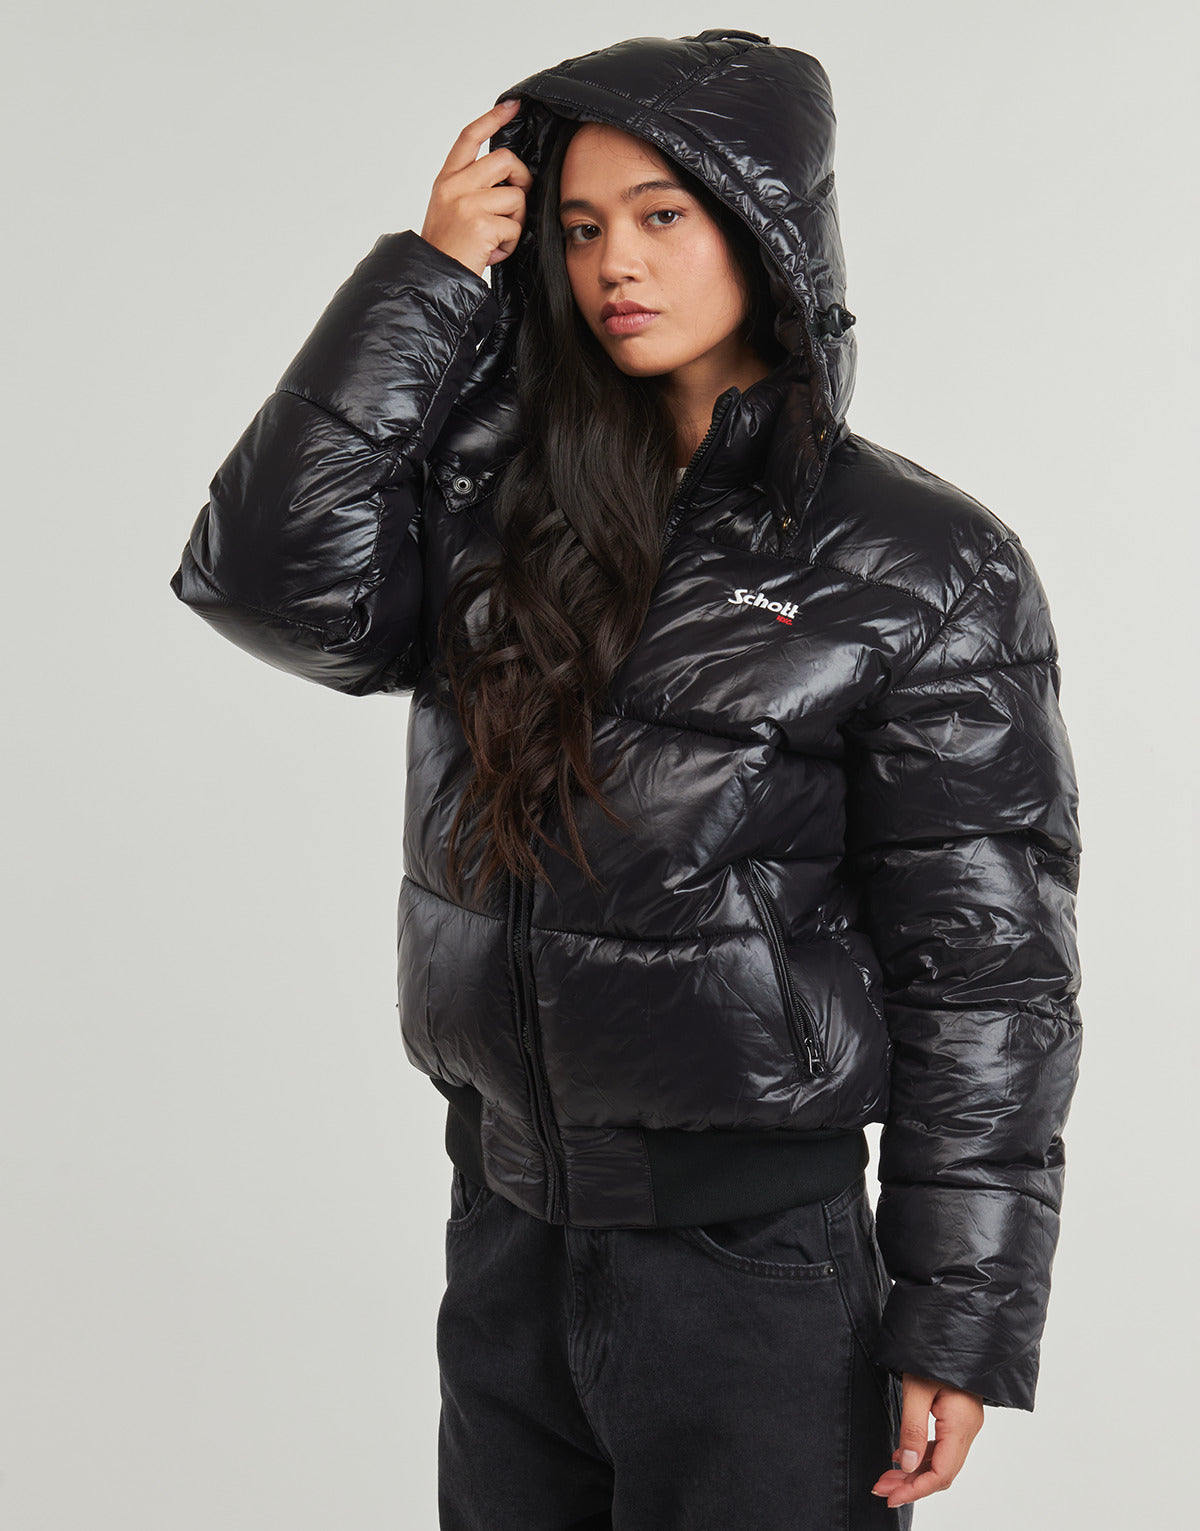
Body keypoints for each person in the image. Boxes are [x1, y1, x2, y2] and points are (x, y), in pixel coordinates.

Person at [169, 28, 1083, 1529]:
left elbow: (987, 968)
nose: (617, 265)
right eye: (582, 227)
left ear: (764, 229)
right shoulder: (501, 500)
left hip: (756, 1277)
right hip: (508, 1236)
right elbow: (262, 584)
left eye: (663, 215)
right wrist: (429, 278)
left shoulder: (924, 563)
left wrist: (959, 1315)